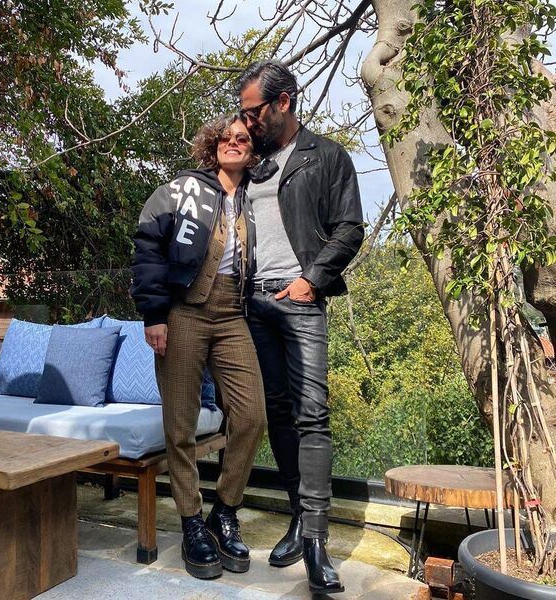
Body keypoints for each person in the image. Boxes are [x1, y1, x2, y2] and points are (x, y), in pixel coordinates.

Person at [237, 60, 364, 594]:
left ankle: (315, 540)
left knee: (313, 413)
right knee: (278, 412)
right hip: (254, 302)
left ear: (283, 101)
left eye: (253, 111)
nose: (247, 121)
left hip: (300, 300)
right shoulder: (250, 163)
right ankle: (296, 516)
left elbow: (349, 228)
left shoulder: (327, 156)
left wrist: (311, 281)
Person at [131, 115, 267, 580]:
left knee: (251, 416)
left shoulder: (256, 196)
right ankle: (191, 522)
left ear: (252, 149)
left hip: (232, 315)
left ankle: (224, 511)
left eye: (242, 138)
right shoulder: (181, 189)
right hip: (184, 311)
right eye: (225, 137)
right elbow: (149, 243)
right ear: (213, 145)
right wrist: (154, 314)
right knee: (180, 425)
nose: (233, 143)